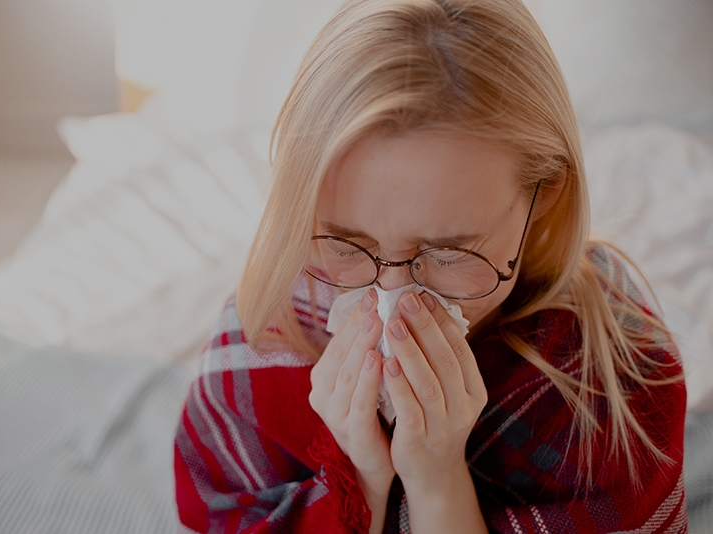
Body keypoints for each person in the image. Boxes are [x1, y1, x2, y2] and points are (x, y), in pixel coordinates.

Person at [173, 0, 686, 532]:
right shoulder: (264, 334)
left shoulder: (615, 382)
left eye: (448, 252)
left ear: (544, 193)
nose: (395, 297)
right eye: (348, 244)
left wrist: (437, 478)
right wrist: (361, 480)